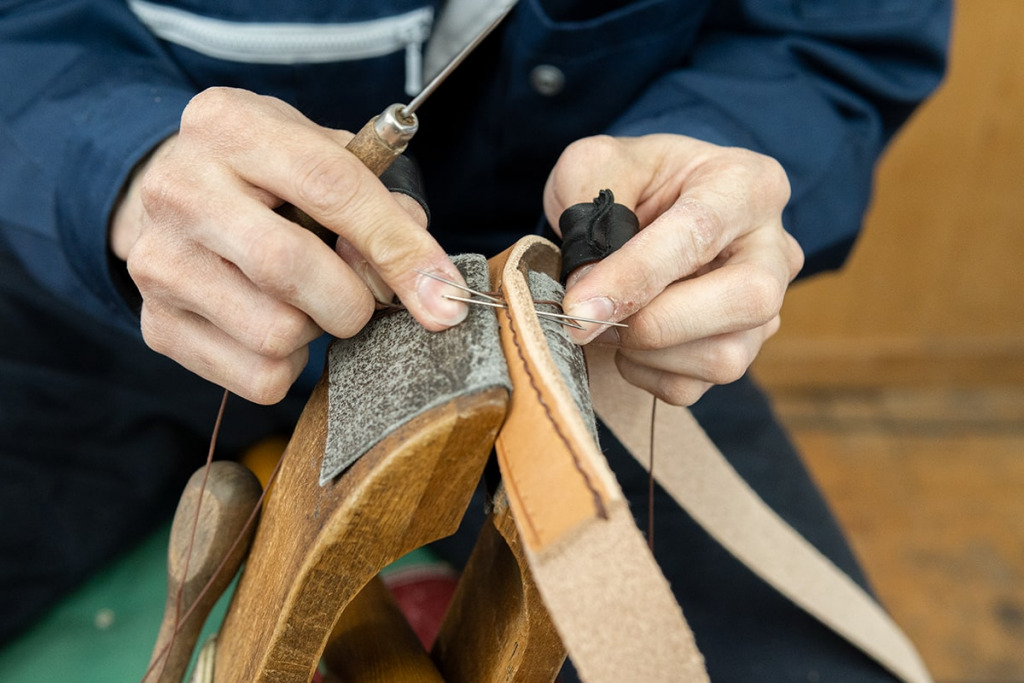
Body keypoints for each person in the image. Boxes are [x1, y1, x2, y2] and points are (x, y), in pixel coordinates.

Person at [0, 0, 950, 679]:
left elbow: (843, 31)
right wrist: (108, 161)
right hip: (96, 277)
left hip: (572, 333)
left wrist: (714, 168)